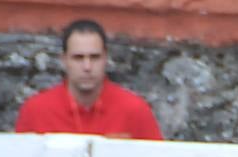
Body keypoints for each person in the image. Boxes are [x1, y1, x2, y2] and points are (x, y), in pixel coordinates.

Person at [15, 19, 163, 140]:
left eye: (95, 57)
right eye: (78, 58)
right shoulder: (35, 111)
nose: (87, 67)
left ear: (106, 58)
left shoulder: (135, 110)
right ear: (64, 60)